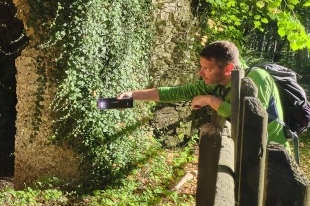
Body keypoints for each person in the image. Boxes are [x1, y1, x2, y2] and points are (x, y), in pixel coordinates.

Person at [117, 40, 288, 146]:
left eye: (207, 68)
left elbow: (249, 120)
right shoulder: (215, 83)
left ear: (228, 68)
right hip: (247, 150)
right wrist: (133, 95)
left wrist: (210, 100)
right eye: (201, 67)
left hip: (274, 151)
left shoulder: (257, 78)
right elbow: (177, 92)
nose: (201, 73)